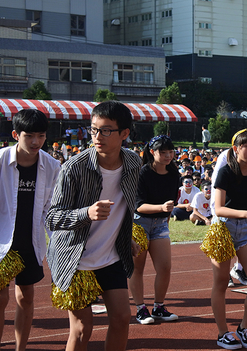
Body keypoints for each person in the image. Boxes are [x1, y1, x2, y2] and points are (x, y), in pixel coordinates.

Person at [46, 101, 141, 351]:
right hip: (74, 258)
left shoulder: (133, 164)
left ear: (124, 134)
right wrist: (86, 213)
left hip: (110, 256)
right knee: (81, 329)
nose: (98, 136)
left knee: (122, 319)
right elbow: (53, 217)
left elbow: (125, 206)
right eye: (94, 129)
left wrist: (125, 236)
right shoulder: (73, 168)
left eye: (106, 130)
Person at [0, 110, 60, 351]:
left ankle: (21, 348)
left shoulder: (52, 166)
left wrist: (57, 242)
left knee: (26, 296)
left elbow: (51, 208)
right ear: (15, 135)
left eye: (41, 136)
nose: (36, 142)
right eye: (29, 136)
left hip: (30, 242)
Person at [212, 129, 247, 349]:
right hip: (222, 228)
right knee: (221, 282)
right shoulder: (225, 172)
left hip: (244, 230)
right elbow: (218, 209)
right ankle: (223, 333)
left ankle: (244, 327)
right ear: (236, 148)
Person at [130, 135, 180, 325]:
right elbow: (138, 206)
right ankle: (141, 308)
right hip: (140, 224)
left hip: (160, 224)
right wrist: (161, 208)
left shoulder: (174, 173)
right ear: (152, 152)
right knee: (137, 268)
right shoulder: (143, 173)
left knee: (165, 267)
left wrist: (164, 217)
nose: (168, 156)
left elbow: (170, 202)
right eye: (163, 152)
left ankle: (159, 306)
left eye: (171, 151)